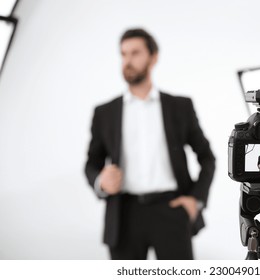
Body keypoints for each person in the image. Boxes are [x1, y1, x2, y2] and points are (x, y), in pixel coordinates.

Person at [84, 28, 215, 260]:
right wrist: (100, 181)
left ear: (153, 57)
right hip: (123, 215)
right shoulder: (104, 113)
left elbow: (207, 157)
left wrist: (196, 199)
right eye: (123, 54)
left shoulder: (180, 107)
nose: (128, 61)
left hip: (172, 210)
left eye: (135, 53)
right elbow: (91, 164)